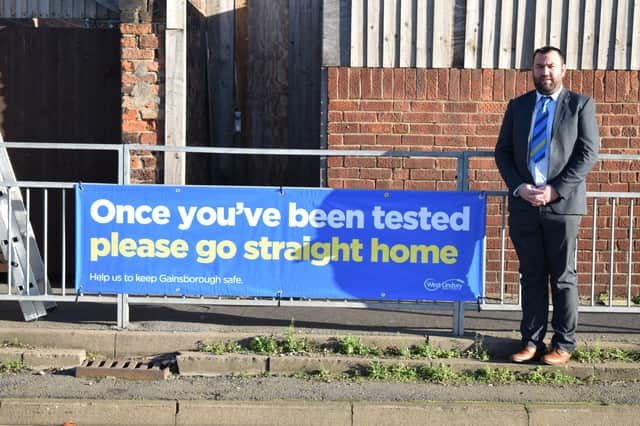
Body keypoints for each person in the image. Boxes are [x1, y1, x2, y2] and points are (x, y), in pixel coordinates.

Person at [494, 46, 600, 366]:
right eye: (540, 66)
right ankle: (530, 341)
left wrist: (555, 191)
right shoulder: (519, 106)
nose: (545, 72)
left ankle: (563, 344)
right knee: (531, 276)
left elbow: (587, 153)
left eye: (551, 66)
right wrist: (518, 186)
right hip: (525, 206)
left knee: (563, 277)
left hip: (562, 207)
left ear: (563, 69)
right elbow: (503, 152)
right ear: (533, 69)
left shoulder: (580, 105)